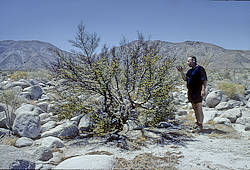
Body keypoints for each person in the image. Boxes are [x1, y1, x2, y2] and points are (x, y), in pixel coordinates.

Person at [176, 56, 207, 131]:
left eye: (188, 61)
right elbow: (185, 79)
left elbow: (204, 79)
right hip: (191, 92)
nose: (187, 63)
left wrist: (203, 90)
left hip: (198, 91)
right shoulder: (190, 71)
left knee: (199, 107)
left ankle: (200, 125)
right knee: (194, 107)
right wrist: (181, 72)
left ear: (193, 61)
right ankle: (197, 122)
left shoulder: (200, 68)